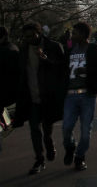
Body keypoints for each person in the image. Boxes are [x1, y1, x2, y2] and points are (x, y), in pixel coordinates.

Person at [15, 22, 67, 175]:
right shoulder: (23, 50)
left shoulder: (53, 46)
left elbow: (63, 68)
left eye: (32, 36)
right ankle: (39, 159)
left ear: (39, 33)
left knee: (47, 128)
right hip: (31, 96)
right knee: (33, 129)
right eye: (26, 37)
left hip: (48, 95)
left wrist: (46, 60)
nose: (29, 39)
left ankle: (49, 143)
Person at [62, 21, 97, 171]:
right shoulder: (69, 49)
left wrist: (87, 71)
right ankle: (70, 146)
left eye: (74, 33)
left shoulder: (94, 49)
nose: (72, 36)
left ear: (82, 34)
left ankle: (80, 157)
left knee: (86, 131)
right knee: (66, 128)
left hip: (87, 95)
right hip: (70, 96)